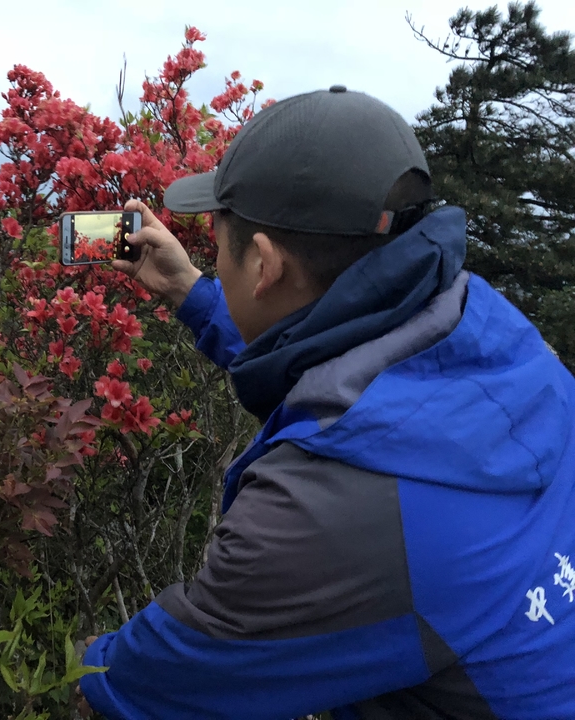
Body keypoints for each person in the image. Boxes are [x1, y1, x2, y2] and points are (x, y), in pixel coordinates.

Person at [77, 85, 575, 719]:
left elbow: (145, 680)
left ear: (262, 265)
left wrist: (79, 667)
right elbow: (353, 377)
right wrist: (194, 294)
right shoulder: (492, 333)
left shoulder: (324, 516)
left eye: (218, 242)